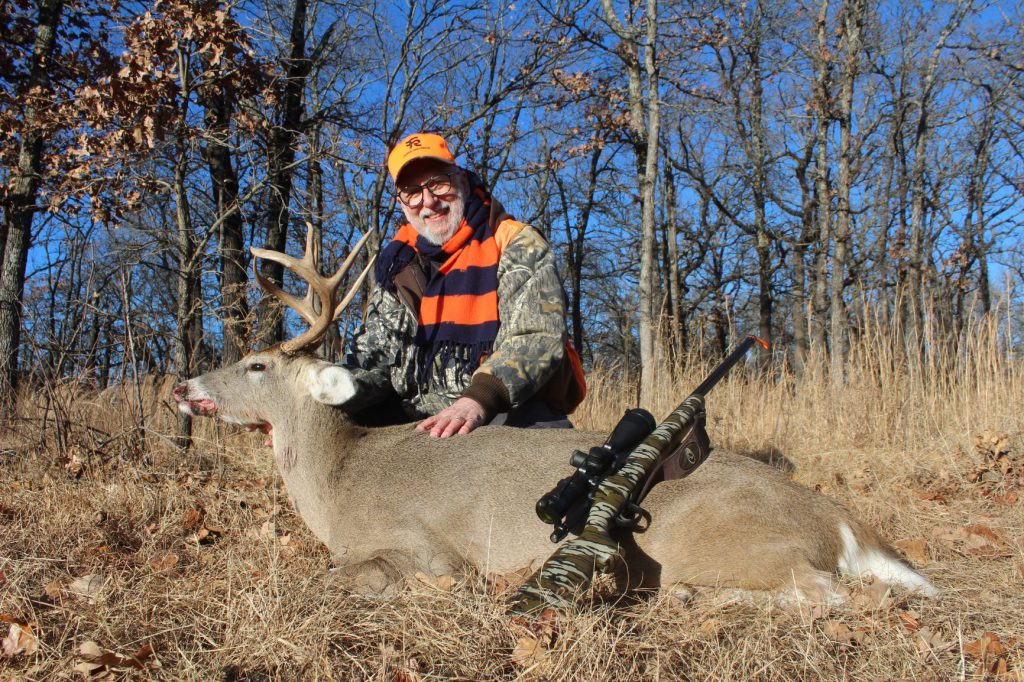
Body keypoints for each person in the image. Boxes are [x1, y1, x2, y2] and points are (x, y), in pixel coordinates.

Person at [342, 132, 585, 438]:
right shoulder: (398, 263)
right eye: (413, 192)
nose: (429, 201)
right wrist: (312, 398)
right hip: (419, 417)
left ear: (461, 179)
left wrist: (478, 399)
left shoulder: (513, 242)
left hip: (499, 409)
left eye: (438, 183)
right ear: (401, 202)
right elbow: (374, 357)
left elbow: (535, 336)